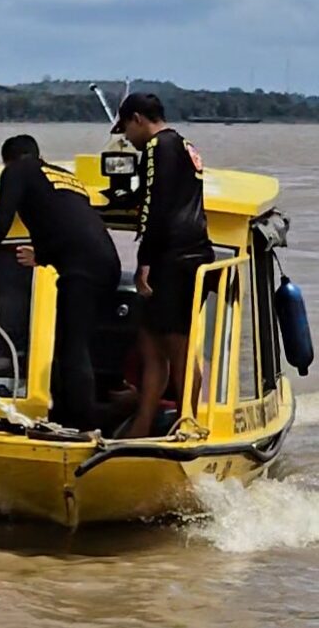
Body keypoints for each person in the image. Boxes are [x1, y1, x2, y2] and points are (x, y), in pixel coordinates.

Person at [0, 135, 122, 431]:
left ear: (8, 159)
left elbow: (0, 222)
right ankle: (67, 416)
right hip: (105, 261)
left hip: (81, 267)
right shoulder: (64, 177)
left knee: (73, 347)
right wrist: (42, 255)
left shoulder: (17, 170)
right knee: (72, 342)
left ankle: (83, 425)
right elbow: (71, 224)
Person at [112, 93, 215, 438]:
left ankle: (189, 423)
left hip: (175, 259)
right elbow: (157, 194)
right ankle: (142, 424)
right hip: (189, 254)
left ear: (138, 119)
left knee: (178, 347)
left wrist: (144, 262)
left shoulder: (158, 147)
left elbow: (156, 208)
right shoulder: (182, 146)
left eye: (126, 129)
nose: (127, 138)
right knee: (150, 342)